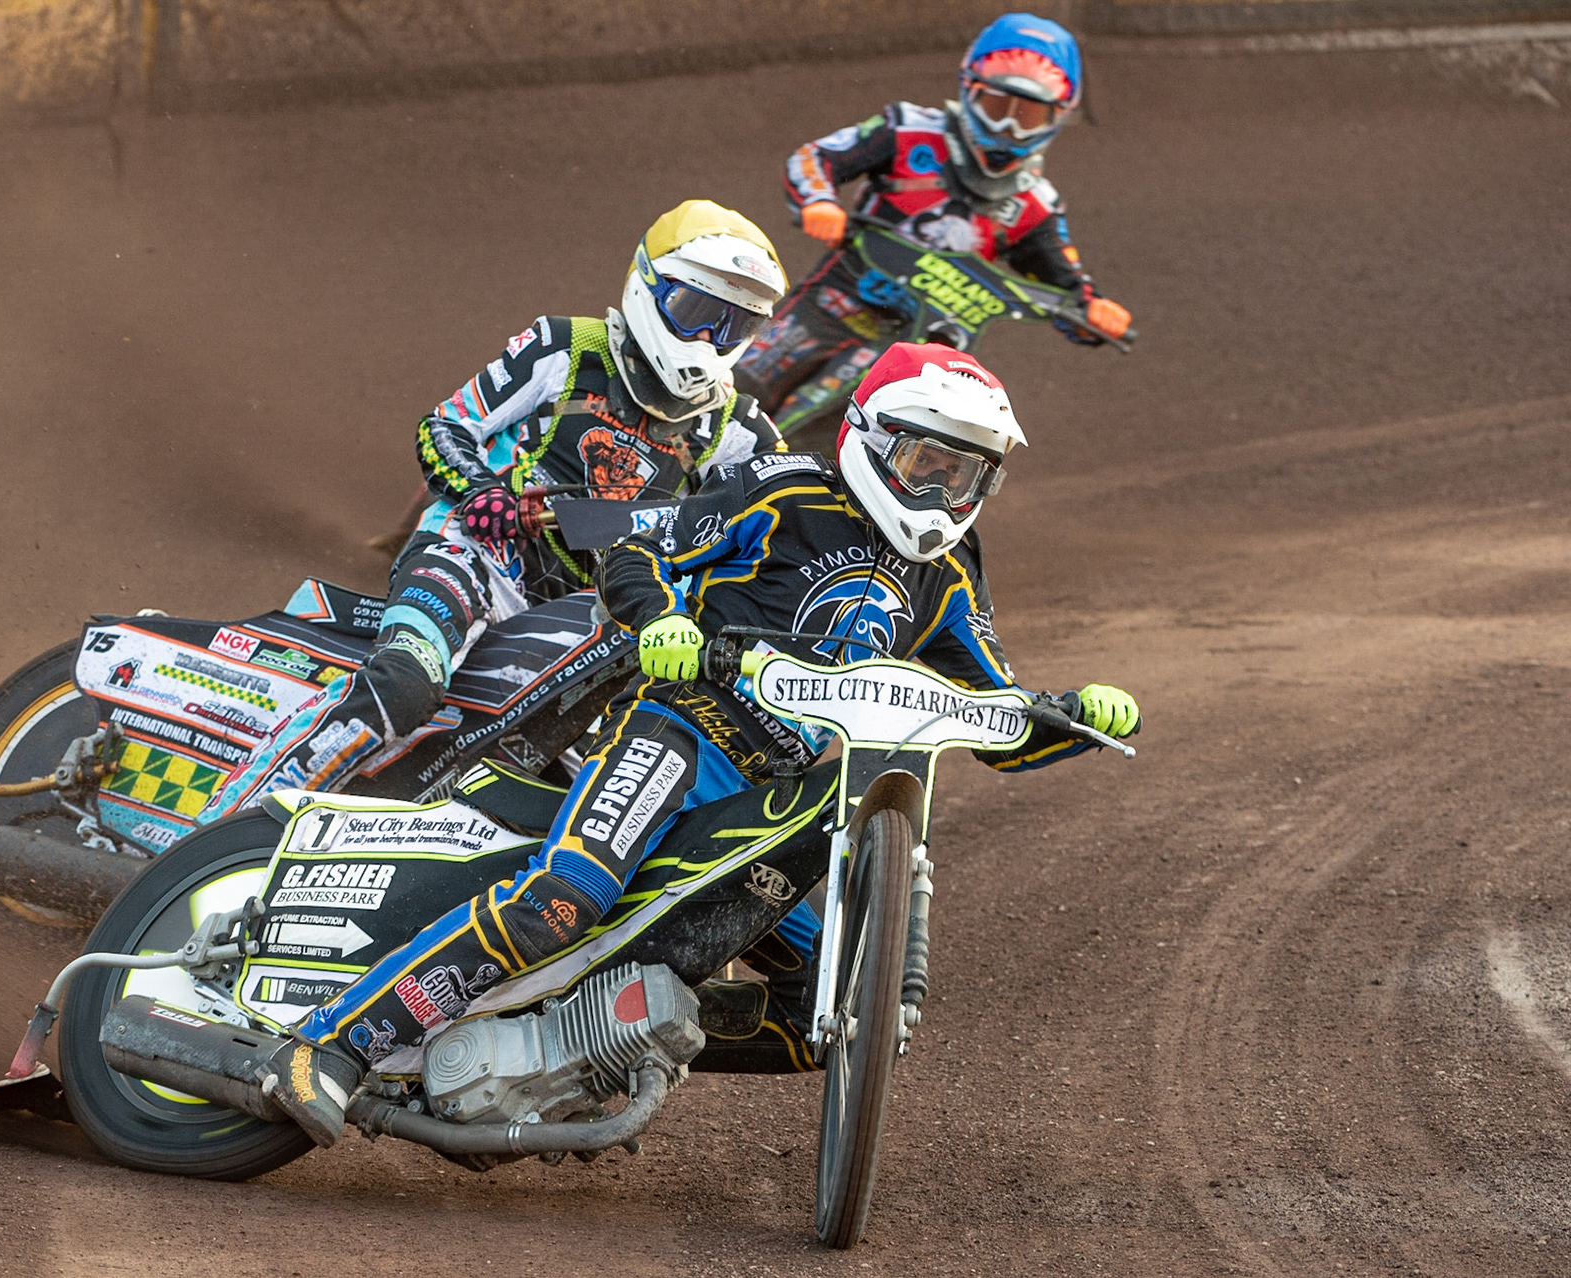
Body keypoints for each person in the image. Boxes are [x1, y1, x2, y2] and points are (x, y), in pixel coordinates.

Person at [272, 341, 1141, 1144]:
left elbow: (995, 719)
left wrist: (1074, 718)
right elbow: (638, 556)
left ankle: (591, 1045)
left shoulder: (950, 572)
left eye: (966, 477)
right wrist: (663, 623)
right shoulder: (787, 490)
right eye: (926, 464)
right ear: (872, 442)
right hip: (680, 729)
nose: (940, 495)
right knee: (561, 902)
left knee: (828, 1009)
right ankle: (330, 1048)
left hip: (776, 795)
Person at [194, 200, 790, 818]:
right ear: (648, 288)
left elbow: (775, 534)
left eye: (733, 326)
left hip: (594, 614)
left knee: (601, 781)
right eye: (696, 312)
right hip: (479, 557)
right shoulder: (565, 348)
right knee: (403, 685)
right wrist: (482, 493)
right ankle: (216, 831)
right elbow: (446, 426)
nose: (707, 340)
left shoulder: (741, 428)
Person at [734, 13, 1133, 417]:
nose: (1009, 126)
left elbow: (1065, 285)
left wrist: (1093, 311)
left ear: (1057, 115)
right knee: (736, 388)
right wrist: (818, 201)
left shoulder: (1037, 206)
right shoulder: (908, 130)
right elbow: (815, 158)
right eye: (997, 106)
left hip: (921, 348)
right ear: (969, 88)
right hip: (834, 302)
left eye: (1027, 115)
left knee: (871, 437)